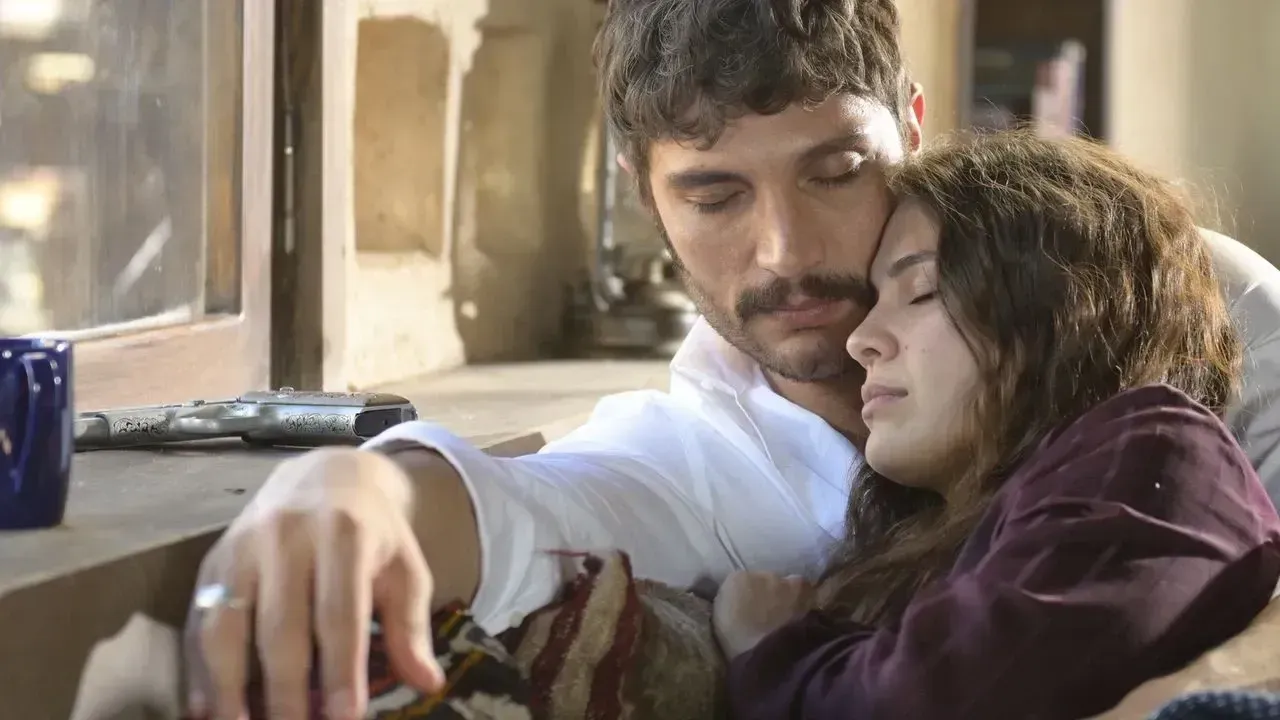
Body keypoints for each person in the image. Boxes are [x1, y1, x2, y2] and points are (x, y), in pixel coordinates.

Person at [183, 1, 1280, 717]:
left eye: (835, 171)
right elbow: (516, 504)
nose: (786, 252)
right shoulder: (694, 459)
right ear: (642, 194)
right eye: (714, 196)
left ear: (910, 127)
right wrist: (347, 488)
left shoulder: (1171, 289)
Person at [711, 129, 1280, 720]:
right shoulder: (947, 530)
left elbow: (946, 700)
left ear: (1061, 305)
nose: (862, 340)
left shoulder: (1156, 451)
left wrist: (770, 651)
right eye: (873, 301)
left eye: (920, 291)